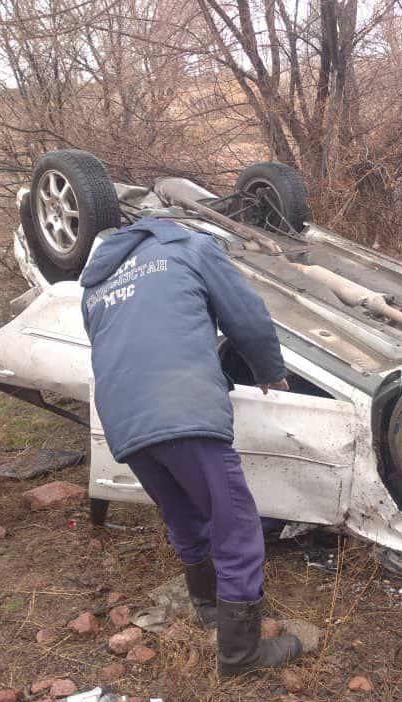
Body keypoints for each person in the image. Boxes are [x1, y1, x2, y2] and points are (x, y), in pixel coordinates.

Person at [80, 217, 302, 677]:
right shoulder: (191, 248)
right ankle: (241, 655)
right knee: (237, 526)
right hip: (182, 407)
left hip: (122, 418)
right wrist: (268, 371)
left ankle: (208, 607)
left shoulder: (96, 282)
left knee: (182, 511)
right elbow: (247, 316)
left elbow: (116, 344)